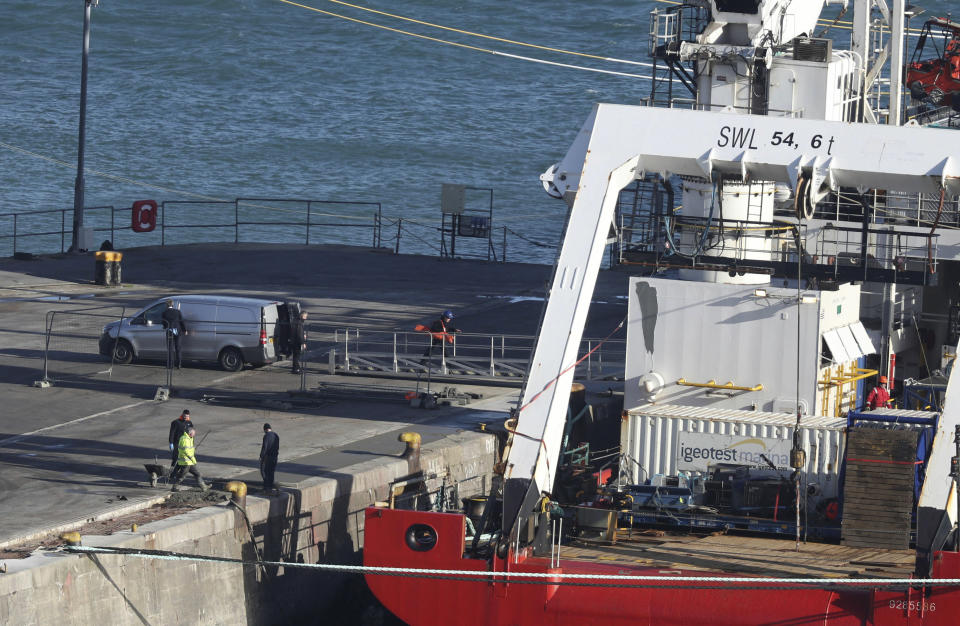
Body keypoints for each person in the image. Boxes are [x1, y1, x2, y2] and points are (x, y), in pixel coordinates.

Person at [171, 426, 207, 492]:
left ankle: (204, 487)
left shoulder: (189, 438)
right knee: (182, 476)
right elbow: (186, 451)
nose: (194, 434)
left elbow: (189, 449)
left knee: (197, 474)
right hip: (186, 462)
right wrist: (192, 459)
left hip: (188, 462)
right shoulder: (185, 439)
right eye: (194, 433)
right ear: (190, 433)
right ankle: (174, 487)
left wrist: (193, 450)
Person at [161, 300, 187, 369]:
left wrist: (164, 327)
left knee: (170, 349)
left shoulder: (164, 313)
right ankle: (179, 364)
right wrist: (185, 330)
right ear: (172, 305)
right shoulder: (177, 311)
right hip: (177, 331)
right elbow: (182, 321)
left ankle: (170, 365)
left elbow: (164, 323)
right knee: (178, 348)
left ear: (166, 305)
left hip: (170, 330)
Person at [260, 423, 280, 492]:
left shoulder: (266, 436)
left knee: (264, 471)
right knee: (271, 472)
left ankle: (266, 487)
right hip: (275, 457)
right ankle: (271, 486)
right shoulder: (276, 435)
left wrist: (261, 456)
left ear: (265, 429)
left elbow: (264, 447)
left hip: (268, 457)